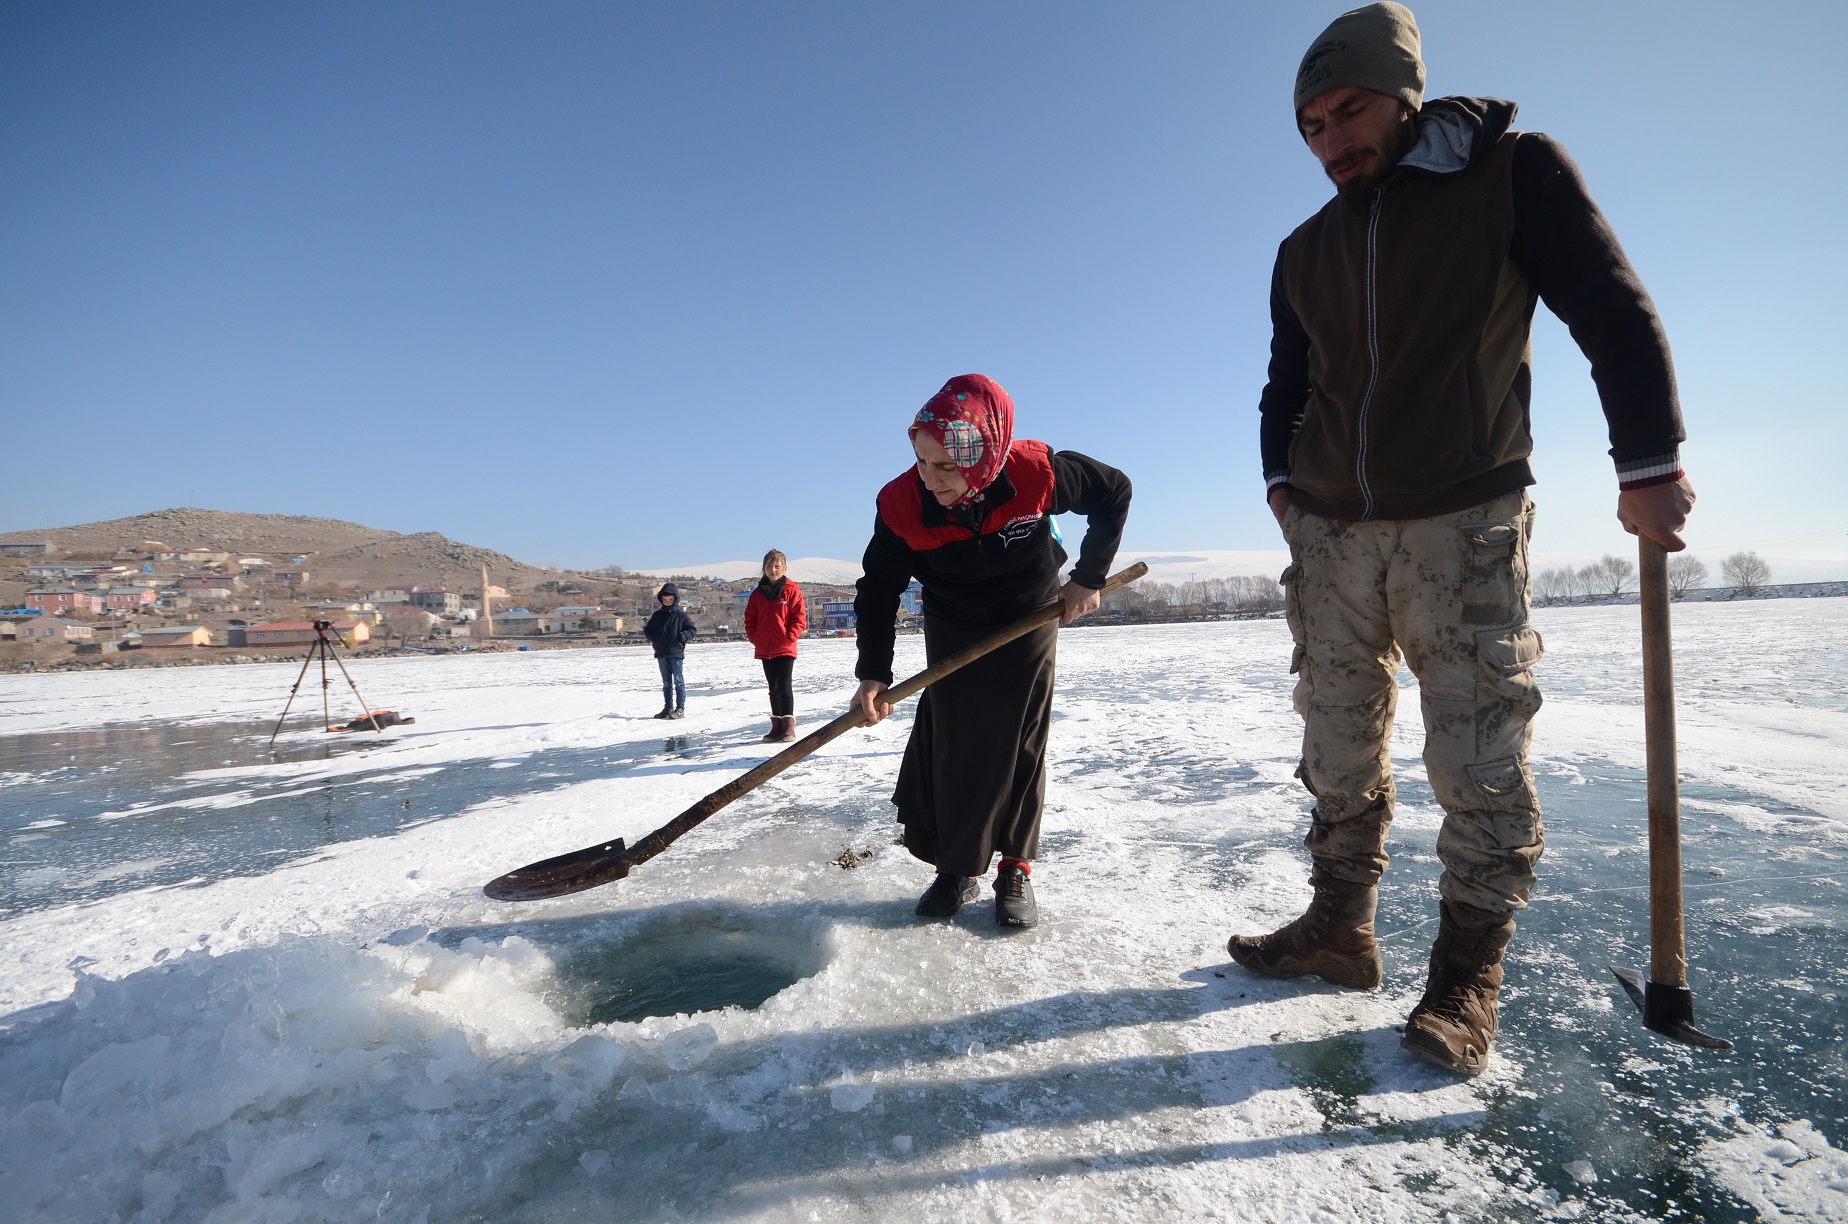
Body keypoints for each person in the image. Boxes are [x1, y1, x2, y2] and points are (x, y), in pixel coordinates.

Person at [1230, 2, 1696, 1075]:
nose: (1331, 140)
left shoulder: (1512, 174)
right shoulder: (1306, 249)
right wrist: (1282, 486)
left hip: (1461, 518)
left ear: (1403, 95)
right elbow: (1284, 386)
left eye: (1348, 112)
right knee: (1336, 743)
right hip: (1335, 536)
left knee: (1478, 757)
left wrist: (1649, 464)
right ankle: (1340, 929)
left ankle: (1464, 983)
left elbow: (1611, 310)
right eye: (1310, 125)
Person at [852, 374, 1131, 929]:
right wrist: (873, 673)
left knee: (1021, 738)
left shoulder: (1036, 471)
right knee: (955, 742)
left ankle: (1015, 868)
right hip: (953, 622)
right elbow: (878, 590)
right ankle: (957, 868)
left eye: (946, 467)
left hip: (1030, 614)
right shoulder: (902, 504)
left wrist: (1089, 576)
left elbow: (1114, 491)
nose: (931, 479)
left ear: (983, 454)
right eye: (923, 462)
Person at [744, 549, 808, 742]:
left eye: (777, 566)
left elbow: (799, 618)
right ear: (763, 569)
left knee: (785, 686)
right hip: (765, 648)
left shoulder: (791, 591)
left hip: (785, 648)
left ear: (784, 568)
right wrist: (755, 638)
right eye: (769, 566)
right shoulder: (757, 595)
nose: (773, 570)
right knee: (773, 688)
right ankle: (777, 727)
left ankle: (789, 727)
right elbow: (750, 619)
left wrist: (790, 637)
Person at [642, 582, 697, 719]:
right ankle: (668, 708)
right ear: (661, 599)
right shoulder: (657, 616)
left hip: (676, 653)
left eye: (670, 600)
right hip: (661, 652)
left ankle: (680, 709)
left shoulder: (681, 615)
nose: (667, 602)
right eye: (665, 600)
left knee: (678, 681)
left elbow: (692, 630)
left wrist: (682, 637)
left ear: (675, 599)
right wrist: (653, 638)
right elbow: (648, 629)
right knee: (666, 682)